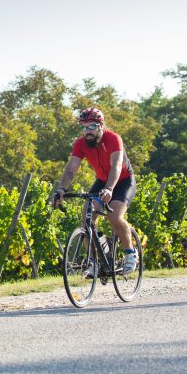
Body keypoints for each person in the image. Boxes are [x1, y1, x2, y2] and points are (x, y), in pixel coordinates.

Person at [52, 107, 138, 275]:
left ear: (100, 126)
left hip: (122, 181)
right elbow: (71, 168)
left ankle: (130, 253)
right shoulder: (80, 143)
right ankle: (93, 261)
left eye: (91, 126)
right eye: (84, 127)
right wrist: (62, 188)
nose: (87, 131)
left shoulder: (113, 139)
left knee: (114, 216)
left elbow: (117, 166)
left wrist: (110, 189)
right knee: (87, 219)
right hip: (102, 181)